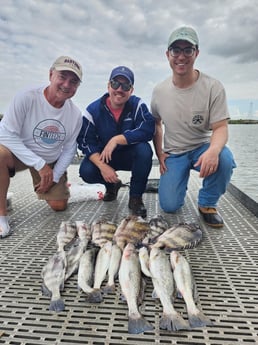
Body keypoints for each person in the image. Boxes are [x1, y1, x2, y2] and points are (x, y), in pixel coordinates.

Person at [151, 26, 236, 228]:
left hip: (202, 148)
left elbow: (221, 127)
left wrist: (213, 151)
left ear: (196, 53)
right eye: (176, 50)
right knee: (169, 205)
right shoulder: (159, 91)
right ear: (167, 55)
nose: (181, 56)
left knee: (224, 158)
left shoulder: (213, 87)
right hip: (175, 153)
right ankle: (177, 183)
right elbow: (156, 124)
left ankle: (207, 203)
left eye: (187, 50)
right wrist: (160, 153)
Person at [0, 56, 83, 238]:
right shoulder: (26, 97)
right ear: (51, 74)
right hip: (20, 154)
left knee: (59, 206)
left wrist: (54, 177)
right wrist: (39, 164)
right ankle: (1, 216)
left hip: (50, 159)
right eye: (62, 77)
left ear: (77, 86)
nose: (67, 85)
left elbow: (69, 149)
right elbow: (4, 133)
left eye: (74, 81)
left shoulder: (75, 115)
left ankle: (57, 187)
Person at [77, 66, 155, 218]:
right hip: (106, 157)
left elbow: (148, 129)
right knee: (86, 171)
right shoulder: (92, 110)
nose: (119, 89)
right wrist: (102, 166)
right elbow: (86, 141)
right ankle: (111, 185)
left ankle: (135, 198)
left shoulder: (137, 105)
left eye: (125, 86)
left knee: (145, 151)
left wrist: (117, 139)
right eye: (115, 84)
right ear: (108, 85)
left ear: (131, 90)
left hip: (129, 155)